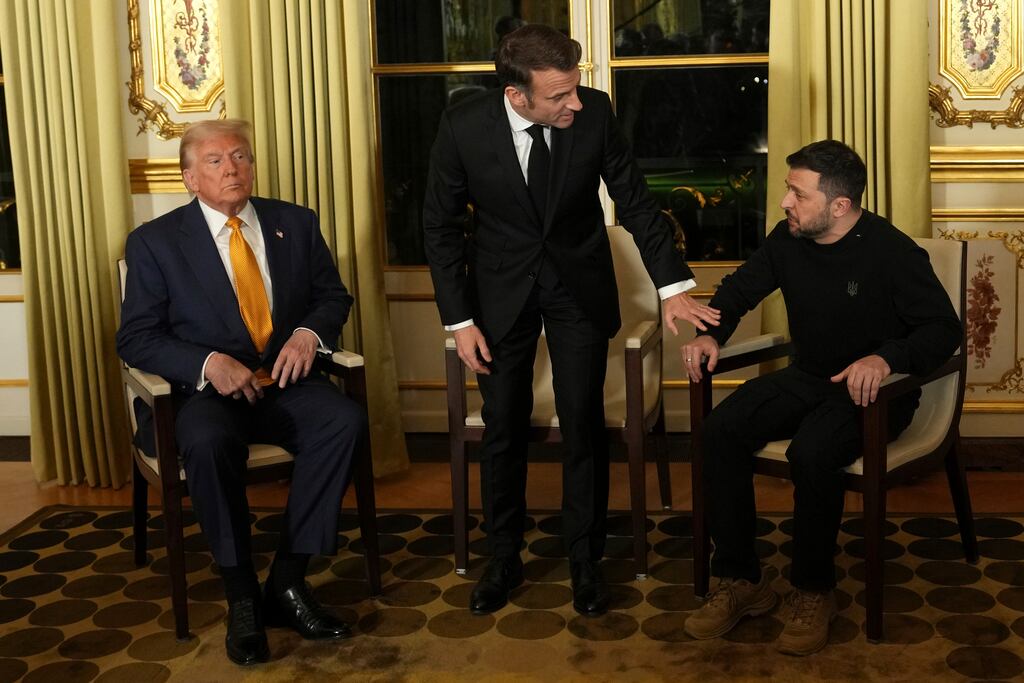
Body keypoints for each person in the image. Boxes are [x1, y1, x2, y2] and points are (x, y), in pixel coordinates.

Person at [423, 24, 719, 618]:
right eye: (559, 96)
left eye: (576, 89)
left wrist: (672, 285)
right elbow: (440, 227)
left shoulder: (596, 113)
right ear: (516, 95)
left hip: (577, 287)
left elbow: (634, 201)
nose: (575, 104)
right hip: (499, 293)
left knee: (583, 422)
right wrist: (459, 321)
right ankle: (502, 558)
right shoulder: (463, 125)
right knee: (503, 426)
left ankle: (585, 560)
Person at [681, 140, 961, 655]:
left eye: (797, 193)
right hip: (809, 376)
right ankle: (742, 581)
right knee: (720, 430)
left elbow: (943, 330)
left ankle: (814, 590)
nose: (785, 202)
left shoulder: (893, 251)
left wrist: (885, 358)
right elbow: (739, 291)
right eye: (789, 189)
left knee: (810, 453)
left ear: (839, 205)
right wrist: (709, 337)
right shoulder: (787, 240)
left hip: (877, 393)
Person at [117, 119, 367, 666]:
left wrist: (309, 333)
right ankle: (240, 594)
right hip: (205, 394)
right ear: (188, 178)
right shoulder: (156, 243)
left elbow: (332, 297)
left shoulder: (295, 223)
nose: (231, 168)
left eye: (240, 157)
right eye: (214, 161)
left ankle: (287, 579)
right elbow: (136, 337)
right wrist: (207, 363)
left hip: (285, 383)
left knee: (343, 421)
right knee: (207, 445)